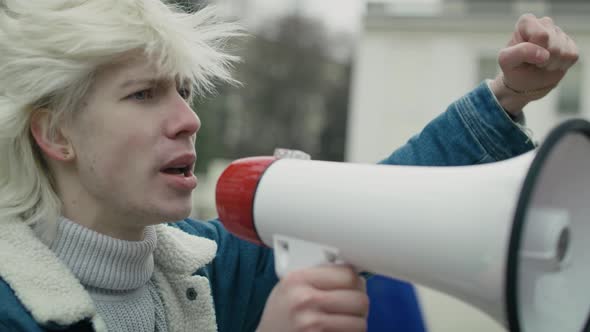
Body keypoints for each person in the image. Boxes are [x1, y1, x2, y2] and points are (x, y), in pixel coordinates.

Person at [0, 0, 578, 331]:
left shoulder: (209, 263)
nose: (188, 120)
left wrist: (506, 96)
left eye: (182, 92)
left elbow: (382, 204)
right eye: (143, 95)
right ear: (55, 133)